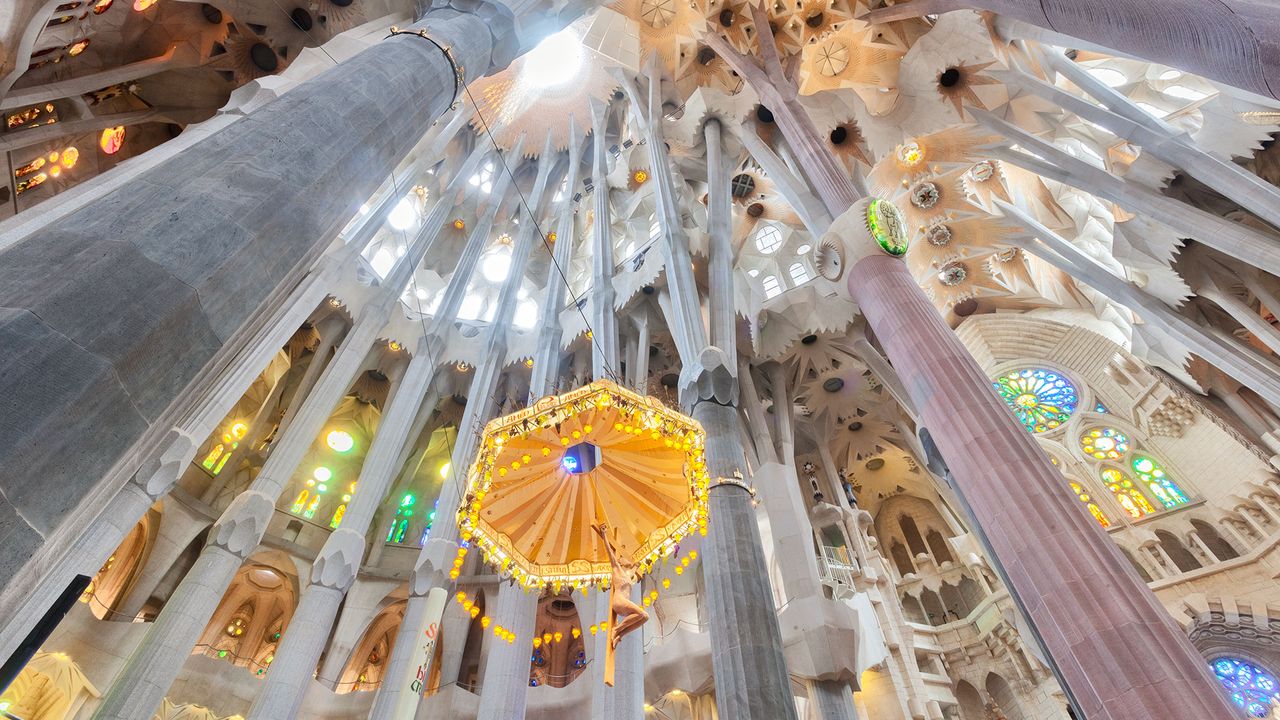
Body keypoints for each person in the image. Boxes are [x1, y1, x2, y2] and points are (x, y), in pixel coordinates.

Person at [593, 523, 649, 649]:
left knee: (645, 617)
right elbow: (609, 552)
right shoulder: (617, 568)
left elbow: (635, 567)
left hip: (624, 604)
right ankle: (617, 629)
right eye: (624, 558)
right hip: (619, 601)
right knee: (642, 614)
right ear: (620, 562)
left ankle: (619, 635)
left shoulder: (628, 575)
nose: (627, 559)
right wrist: (604, 534)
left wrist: (638, 564)